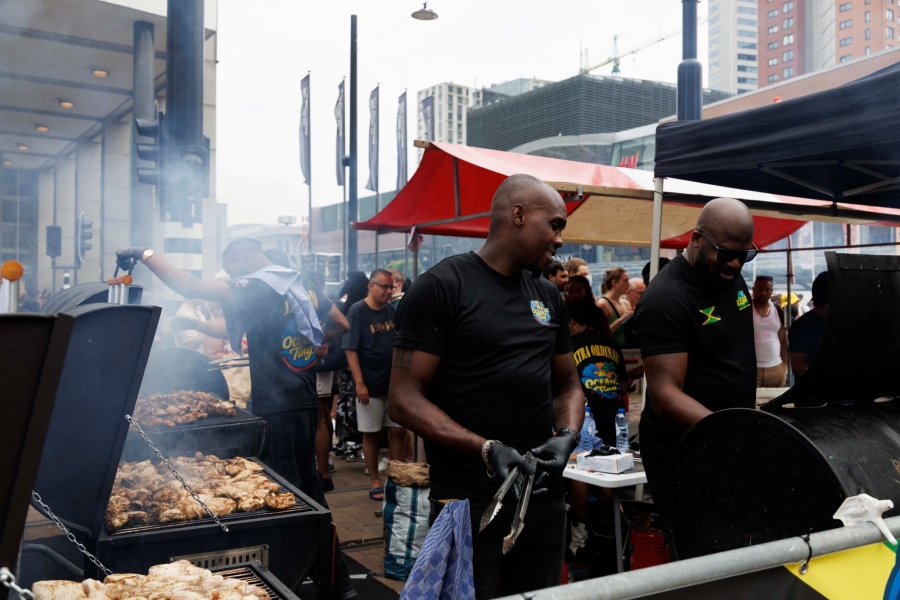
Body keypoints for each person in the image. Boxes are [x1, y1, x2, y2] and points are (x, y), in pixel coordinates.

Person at [115, 239, 357, 599]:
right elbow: (339, 322)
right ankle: (336, 582)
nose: (231, 278)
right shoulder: (296, 280)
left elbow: (191, 287)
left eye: (232, 270)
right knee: (310, 493)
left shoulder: (258, 282)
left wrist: (146, 254)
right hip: (304, 402)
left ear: (243, 259)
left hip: (279, 409)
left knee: (288, 499)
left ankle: (298, 580)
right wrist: (308, 341)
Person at [389, 174, 584, 599]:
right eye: (554, 224)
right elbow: (403, 401)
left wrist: (568, 436)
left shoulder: (548, 296)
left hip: (541, 496)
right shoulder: (443, 286)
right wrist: (486, 448)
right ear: (518, 215)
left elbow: (568, 385)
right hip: (469, 501)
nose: (559, 240)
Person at [634, 198, 757, 524]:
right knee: (700, 552)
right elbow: (664, 395)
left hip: (730, 439)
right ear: (697, 239)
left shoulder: (730, 277)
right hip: (684, 450)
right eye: (726, 253)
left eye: (744, 255)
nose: (734, 264)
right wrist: (728, 431)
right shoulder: (666, 298)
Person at [565, 297, 631, 560]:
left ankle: (580, 536)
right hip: (614, 416)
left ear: (573, 322)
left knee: (581, 471)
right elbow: (623, 384)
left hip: (584, 415)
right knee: (609, 470)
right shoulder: (612, 345)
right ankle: (611, 526)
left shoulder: (568, 345)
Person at [343, 269, 405, 501]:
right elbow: (350, 349)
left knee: (398, 432)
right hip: (369, 384)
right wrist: (360, 383)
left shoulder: (390, 310)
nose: (389, 292)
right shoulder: (358, 311)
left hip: (393, 384)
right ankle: (375, 481)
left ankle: (396, 479)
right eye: (384, 287)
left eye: (391, 288)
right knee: (370, 434)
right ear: (371, 286)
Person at [789, 271, 830, 385]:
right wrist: (832, 377)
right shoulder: (802, 327)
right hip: (813, 397)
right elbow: (798, 366)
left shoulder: (843, 319)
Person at [752, 275, 787, 387]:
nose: (763, 293)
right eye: (760, 288)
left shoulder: (778, 310)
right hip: (751, 369)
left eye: (767, 289)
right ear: (754, 289)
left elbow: (783, 340)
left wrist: (784, 366)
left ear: (771, 291)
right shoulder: (745, 309)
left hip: (776, 369)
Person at [598, 267, 633, 347]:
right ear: (614, 282)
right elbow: (601, 334)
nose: (628, 284)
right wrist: (621, 319)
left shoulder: (626, 303)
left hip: (628, 350)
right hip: (610, 351)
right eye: (625, 280)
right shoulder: (602, 304)